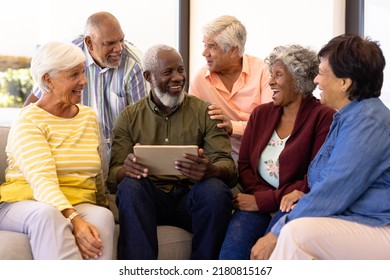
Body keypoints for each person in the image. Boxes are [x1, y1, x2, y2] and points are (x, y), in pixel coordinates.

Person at [251, 34, 390, 260]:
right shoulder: (349, 117)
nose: (316, 80)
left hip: (379, 224)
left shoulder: (368, 122)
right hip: (359, 219)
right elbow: (327, 183)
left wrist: (274, 234)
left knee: (294, 234)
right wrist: (304, 197)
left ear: (345, 83)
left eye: (322, 73)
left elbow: (335, 189)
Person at [108, 44, 237, 260]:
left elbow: (229, 168)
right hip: (151, 201)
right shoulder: (129, 117)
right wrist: (126, 170)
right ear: (148, 76)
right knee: (130, 186)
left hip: (192, 199)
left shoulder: (205, 112)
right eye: (168, 72)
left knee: (215, 189)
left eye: (181, 70)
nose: (178, 78)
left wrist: (212, 170)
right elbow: (113, 177)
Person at [218, 45, 336, 260]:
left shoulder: (324, 117)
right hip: (257, 201)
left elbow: (315, 177)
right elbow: (244, 165)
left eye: (278, 75)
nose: (270, 82)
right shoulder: (260, 114)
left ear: (299, 80)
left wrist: (264, 201)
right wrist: (260, 199)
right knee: (231, 254)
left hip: (294, 206)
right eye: (270, 75)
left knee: (269, 255)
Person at [0, 41, 115, 259]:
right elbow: (42, 182)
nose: (83, 81)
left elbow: (97, 175)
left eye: (83, 72)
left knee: (102, 217)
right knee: (47, 214)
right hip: (25, 202)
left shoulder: (88, 117)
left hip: (78, 200)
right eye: (74, 75)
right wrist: (75, 220)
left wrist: (104, 204)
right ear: (48, 79)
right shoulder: (29, 121)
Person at [23, 11, 148, 176]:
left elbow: (142, 125)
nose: (118, 48)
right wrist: (22, 132)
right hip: (75, 150)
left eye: (121, 40)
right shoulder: (68, 55)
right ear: (89, 42)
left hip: (119, 153)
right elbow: (39, 98)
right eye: (110, 43)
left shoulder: (134, 65)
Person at [189, 15, 273, 162]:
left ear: (233, 50)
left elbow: (270, 122)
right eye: (204, 45)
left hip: (263, 154)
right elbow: (191, 126)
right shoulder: (201, 78)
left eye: (212, 46)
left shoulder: (263, 72)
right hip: (220, 157)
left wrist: (233, 127)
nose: (204, 53)